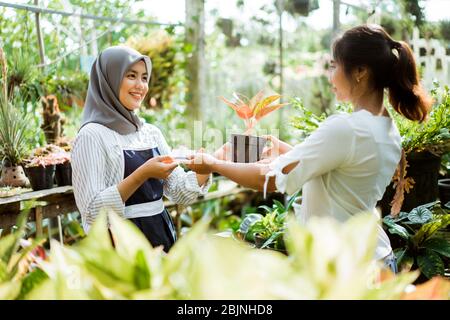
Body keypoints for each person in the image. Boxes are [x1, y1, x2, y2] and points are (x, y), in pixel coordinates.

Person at [187, 24, 432, 272]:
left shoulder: (348, 128)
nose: (330, 76)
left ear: (360, 71)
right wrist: (285, 150)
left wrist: (213, 164)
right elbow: (340, 171)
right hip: (375, 259)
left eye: (334, 65)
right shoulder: (385, 126)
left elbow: (271, 180)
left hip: (346, 270)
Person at [72, 46, 212, 252]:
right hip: (119, 244)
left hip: (161, 235)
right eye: (131, 75)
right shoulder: (91, 136)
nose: (140, 86)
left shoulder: (150, 132)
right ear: (109, 79)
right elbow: (92, 211)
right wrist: (142, 174)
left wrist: (204, 169)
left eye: (144, 78)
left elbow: (179, 192)